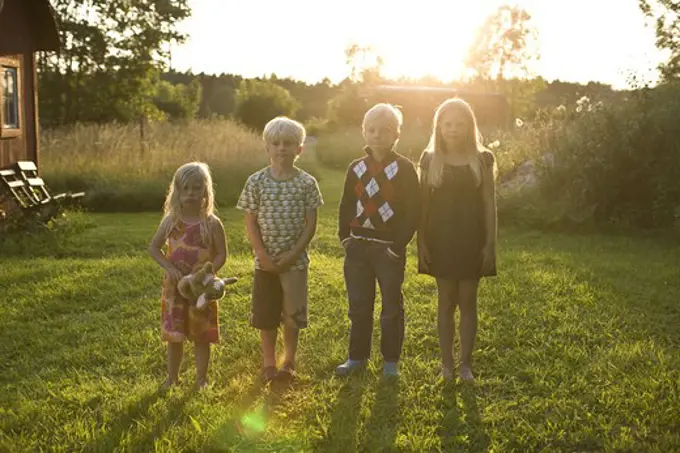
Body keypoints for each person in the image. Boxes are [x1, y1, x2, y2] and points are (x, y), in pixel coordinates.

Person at [335, 103, 420, 378]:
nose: (377, 135)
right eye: (371, 130)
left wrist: (399, 245)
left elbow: (413, 211)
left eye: (384, 131)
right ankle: (356, 357)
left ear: (396, 134)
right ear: (364, 132)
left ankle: (391, 361)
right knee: (359, 305)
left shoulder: (404, 169)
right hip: (357, 246)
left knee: (391, 306)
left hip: (388, 250)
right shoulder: (355, 168)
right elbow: (346, 204)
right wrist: (345, 237)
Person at [236, 116, 323, 383]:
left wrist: (292, 255)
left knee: (292, 314)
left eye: (288, 143)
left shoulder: (307, 183)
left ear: (299, 149)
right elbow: (250, 221)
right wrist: (262, 255)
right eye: (276, 143)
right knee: (266, 314)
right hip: (265, 263)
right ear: (267, 148)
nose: (282, 148)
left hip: (294, 263)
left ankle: (289, 362)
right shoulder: (256, 182)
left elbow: (311, 223)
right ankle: (269, 362)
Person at [417, 98, 498, 382]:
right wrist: (421, 243)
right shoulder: (429, 159)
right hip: (440, 238)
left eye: (460, 124)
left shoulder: (483, 159)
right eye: (448, 124)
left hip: (471, 238)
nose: (453, 129)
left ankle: (465, 364)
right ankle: (447, 365)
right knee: (446, 301)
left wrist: (490, 244)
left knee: (468, 301)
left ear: (469, 126)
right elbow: (423, 207)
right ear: (439, 126)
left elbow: (489, 203)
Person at [149, 162, 228, 390]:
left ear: (205, 191)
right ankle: (172, 378)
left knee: (201, 335)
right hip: (175, 289)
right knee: (174, 335)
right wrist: (169, 268)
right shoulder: (171, 221)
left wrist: (209, 271)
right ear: (177, 192)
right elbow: (154, 248)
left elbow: (222, 253)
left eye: (196, 188)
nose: (191, 194)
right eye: (186, 189)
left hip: (200, 290)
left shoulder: (212, 223)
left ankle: (201, 380)